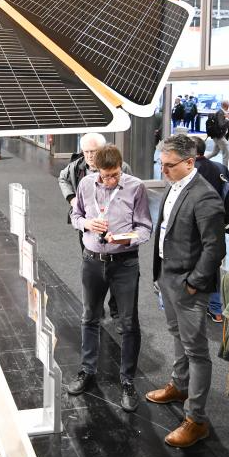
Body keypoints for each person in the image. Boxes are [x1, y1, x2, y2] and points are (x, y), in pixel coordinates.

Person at [147, 135, 226, 446]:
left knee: (196, 350)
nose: (163, 170)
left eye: (169, 165)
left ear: (190, 162)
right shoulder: (174, 185)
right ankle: (180, 386)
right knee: (177, 335)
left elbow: (214, 248)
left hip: (188, 285)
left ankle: (196, 419)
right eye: (161, 164)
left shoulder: (205, 196)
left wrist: (194, 283)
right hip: (168, 276)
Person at [66, 145, 153, 412]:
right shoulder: (85, 184)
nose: (109, 181)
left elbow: (145, 228)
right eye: (104, 176)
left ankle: (127, 381)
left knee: (128, 323)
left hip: (125, 263)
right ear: (96, 170)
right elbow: (75, 216)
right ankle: (87, 370)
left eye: (114, 175)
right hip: (92, 261)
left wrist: (126, 238)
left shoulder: (136, 187)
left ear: (120, 167)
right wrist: (86, 224)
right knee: (89, 318)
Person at [59, 134, 131, 318]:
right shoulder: (77, 166)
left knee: (117, 265)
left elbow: (130, 192)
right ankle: (95, 307)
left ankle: (116, 307)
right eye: (86, 152)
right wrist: (72, 199)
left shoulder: (121, 167)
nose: (90, 156)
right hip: (88, 226)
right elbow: (62, 178)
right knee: (92, 265)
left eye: (94, 151)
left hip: (114, 225)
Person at [191, 136, 229, 323]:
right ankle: (215, 309)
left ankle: (194, 304)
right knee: (213, 264)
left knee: (193, 262)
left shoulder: (189, 172)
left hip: (193, 226)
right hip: (217, 224)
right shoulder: (218, 167)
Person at [205, 100, 229, 166]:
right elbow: (221, 125)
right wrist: (227, 119)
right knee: (226, 154)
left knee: (214, 153)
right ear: (227, 105)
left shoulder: (221, 112)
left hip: (218, 136)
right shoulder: (220, 113)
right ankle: (225, 169)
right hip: (219, 136)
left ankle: (200, 160)